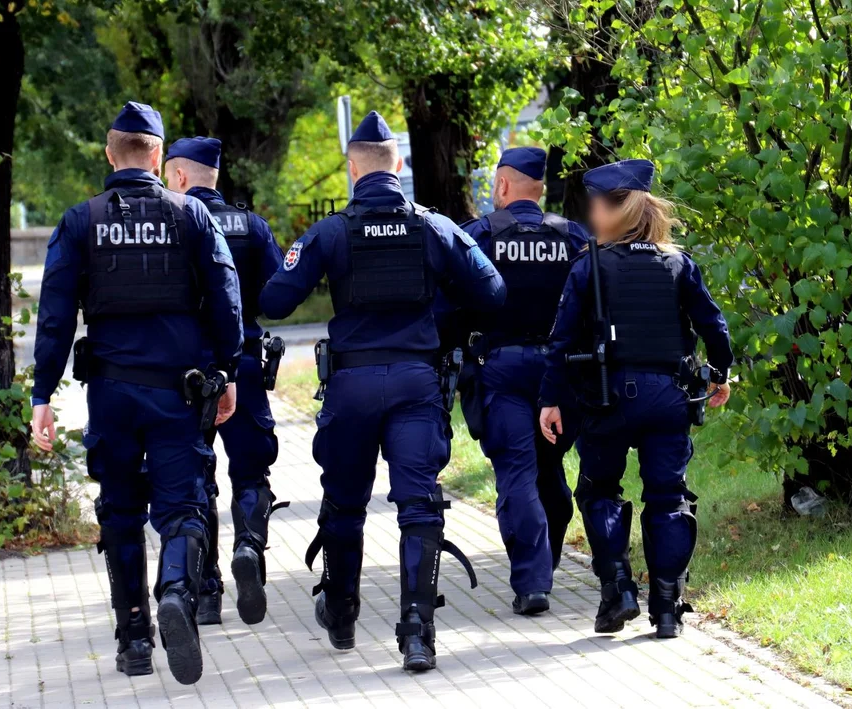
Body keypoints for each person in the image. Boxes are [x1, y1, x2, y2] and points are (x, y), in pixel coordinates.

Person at [259, 111, 505, 672]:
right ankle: (418, 634)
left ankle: (341, 614)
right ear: (398, 166)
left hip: (350, 387)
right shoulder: (434, 227)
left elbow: (274, 301)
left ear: (353, 169)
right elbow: (493, 292)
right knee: (419, 506)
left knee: (345, 502)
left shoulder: (332, 232)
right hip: (417, 384)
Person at [30, 102, 244, 685]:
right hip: (179, 393)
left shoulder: (81, 221)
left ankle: (133, 642)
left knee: (120, 513)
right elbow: (226, 297)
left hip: (112, 394)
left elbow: (55, 316)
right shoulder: (191, 214)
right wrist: (227, 370)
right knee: (184, 507)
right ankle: (175, 590)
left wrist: (42, 395)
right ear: (158, 155)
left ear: (109, 154)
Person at [537, 159, 734, 639]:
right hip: (669, 398)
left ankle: (618, 591)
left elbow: (560, 341)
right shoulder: (678, 264)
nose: (590, 214)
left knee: (599, 491)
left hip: (607, 399)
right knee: (668, 497)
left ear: (616, 210)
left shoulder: (590, 265)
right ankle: (666, 608)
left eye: (596, 205)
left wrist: (550, 399)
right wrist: (721, 374)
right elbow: (713, 325)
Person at [446, 146, 588, 616]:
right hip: (560, 374)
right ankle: (546, 562)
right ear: (540, 188)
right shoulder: (573, 236)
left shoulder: (480, 235)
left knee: (517, 474)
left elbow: (451, 304)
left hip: (501, 370)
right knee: (549, 471)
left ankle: (532, 583)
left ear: (503, 185)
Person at [164, 136, 287, 627]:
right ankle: (249, 549)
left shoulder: (168, 222)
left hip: (184, 375)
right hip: (244, 367)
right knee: (251, 473)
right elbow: (278, 296)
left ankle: (208, 593)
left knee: (197, 480)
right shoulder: (251, 226)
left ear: (178, 176)